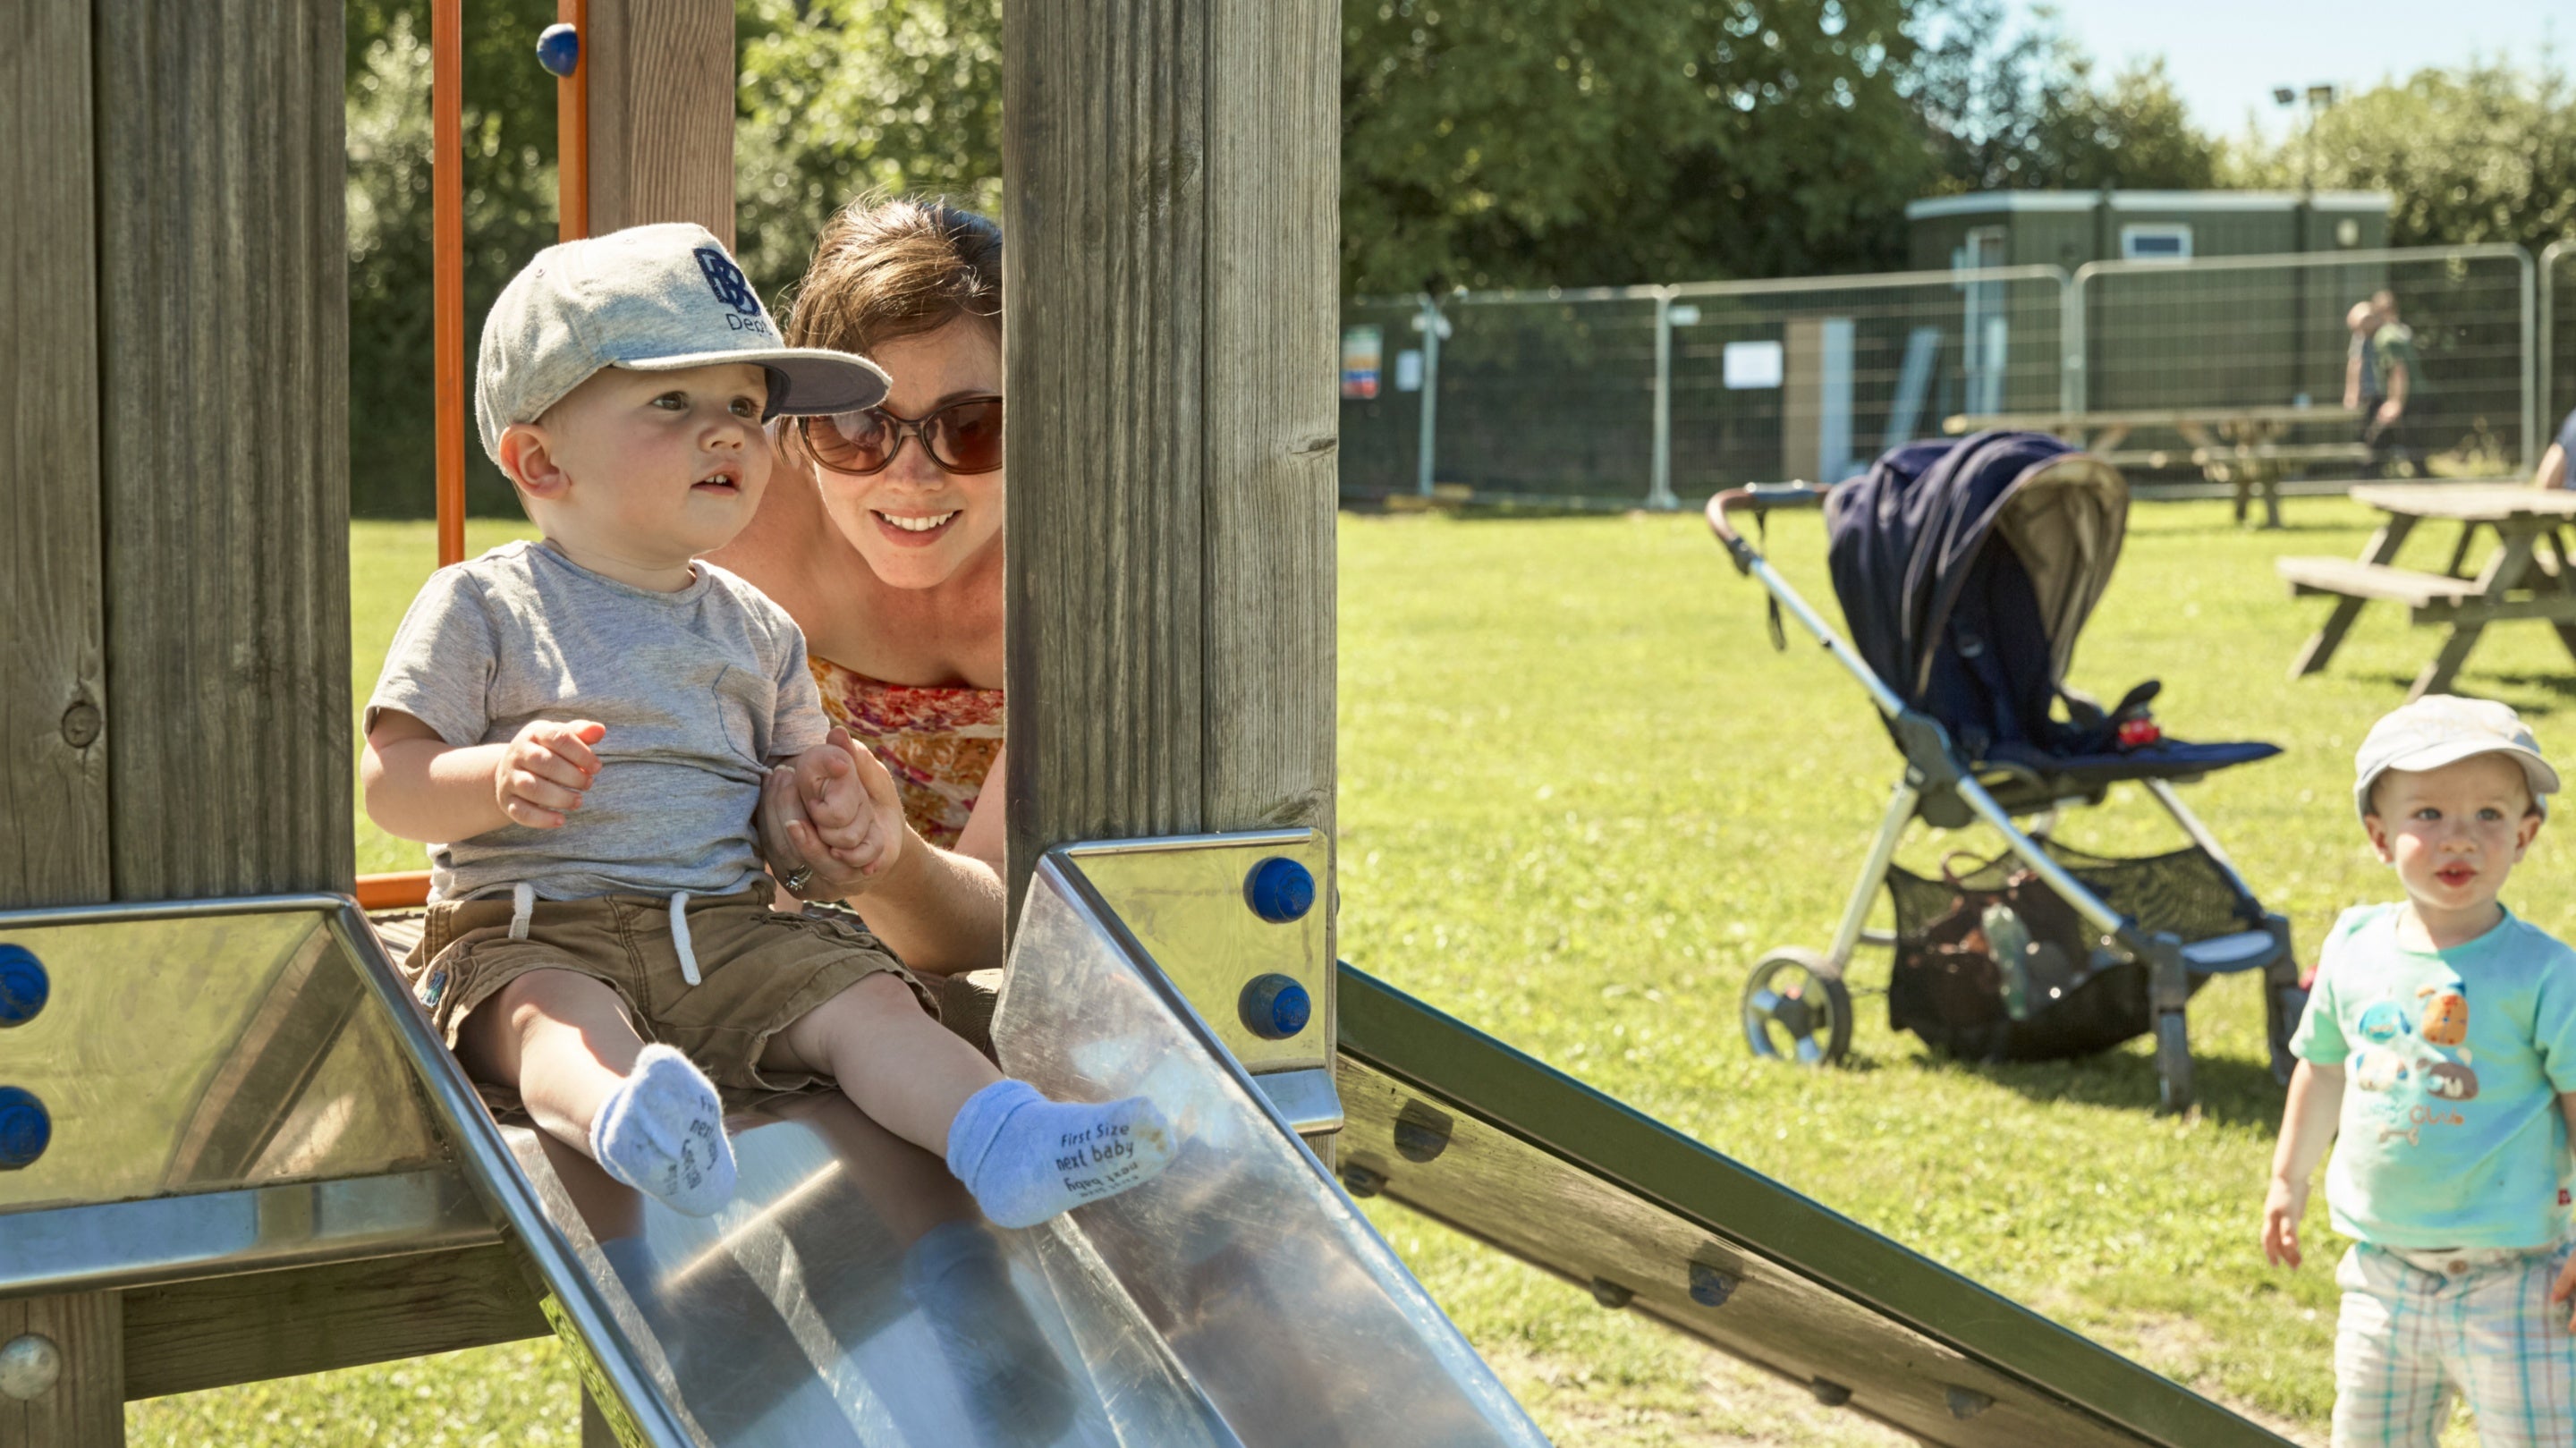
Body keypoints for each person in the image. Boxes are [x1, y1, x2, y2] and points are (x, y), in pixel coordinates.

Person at [361, 222, 1173, 1226]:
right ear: (538, 458)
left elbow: (793, 811)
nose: (725, 433)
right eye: (673, 401)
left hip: (728, 935)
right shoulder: (486, 603)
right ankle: (633, 1116)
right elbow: (389, 776)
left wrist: (819, 821)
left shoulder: (757, 627)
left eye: (746, 408)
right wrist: (491, 779)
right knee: (543, 1013)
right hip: (538, 926)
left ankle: (1002, 1135)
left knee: (864, 1000)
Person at [2261, 695, 2576, 1445]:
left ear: (2526, 835)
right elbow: (2323, 1068)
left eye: (2489, 816)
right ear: (2379, 835)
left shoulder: (2545, 973)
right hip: (2383, 1274)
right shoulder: (2354, 945)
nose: (2458, 837)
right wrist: (2288, 1178)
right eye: (2428, 814)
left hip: (2518, 1279)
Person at [715, 199, 1010, 978]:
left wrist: (881, 864)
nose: (911, 476)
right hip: (786, 975)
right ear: (800, 428)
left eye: (973, 424)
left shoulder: (1080, 581)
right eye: (855, 425)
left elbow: (1008, 931)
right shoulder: (740, 530)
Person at [2364, 290, 2422, 478]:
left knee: (2377, 442)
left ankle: (2365, 482)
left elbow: (2398, 371)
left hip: (2405, 399)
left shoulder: (2385, 336)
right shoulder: (2402, 332)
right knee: (2413, 451)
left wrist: (2394, 403)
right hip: (2417, 398)